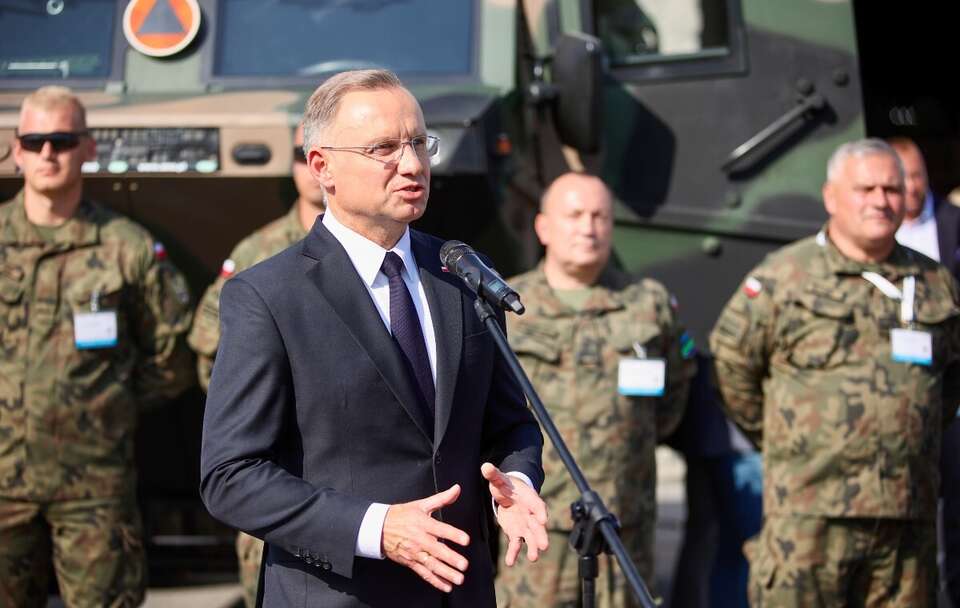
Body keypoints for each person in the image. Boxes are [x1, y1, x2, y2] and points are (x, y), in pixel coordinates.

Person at [199, 69, 548, 607]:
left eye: (417, 144)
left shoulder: (459, 273)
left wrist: (516, 485)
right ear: (323, 167)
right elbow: (231, 475)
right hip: (340, 594)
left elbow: (510, 422)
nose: (411, 165)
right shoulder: (268, 295)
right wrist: (375, 528)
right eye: (383, 148)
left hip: (460, 593)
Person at [710, 138, 960, 607]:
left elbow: (949, 382)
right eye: (865, 188)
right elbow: (731, 364)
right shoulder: (784, 277)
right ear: (831, 197)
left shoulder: (934, 284)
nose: (881, 200)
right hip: (809, 519)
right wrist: (788, 437)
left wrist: (913, 429)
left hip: (906, 524)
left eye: (891, 189)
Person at [0, 86, 194, 607]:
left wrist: (108, 409)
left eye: (61, 140)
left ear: (88, 148)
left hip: (94, 488)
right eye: (35, 140)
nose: (47, 153)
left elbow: (171, 355)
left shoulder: (125, 246)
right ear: (16, 150)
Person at [495, 172, 695, 607]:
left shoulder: (649, 302)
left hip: (623, 526)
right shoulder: (507, 306)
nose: (589, 227)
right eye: (575, 215)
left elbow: (673, 398)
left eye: (600, 216)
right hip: (539, 525)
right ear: (543, 226)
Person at [188, 122, 326, 608]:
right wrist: (255, 410)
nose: (311, 165)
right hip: (274, 472)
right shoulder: (258, 253)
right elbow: (208, 345)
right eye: (300, 153)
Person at [888, 136, 960, 607]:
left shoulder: (955, 223)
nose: (911, 188)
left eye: (917, 176)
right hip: (892, 405)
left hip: (949, 402)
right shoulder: (870, 235)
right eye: (902, 179)